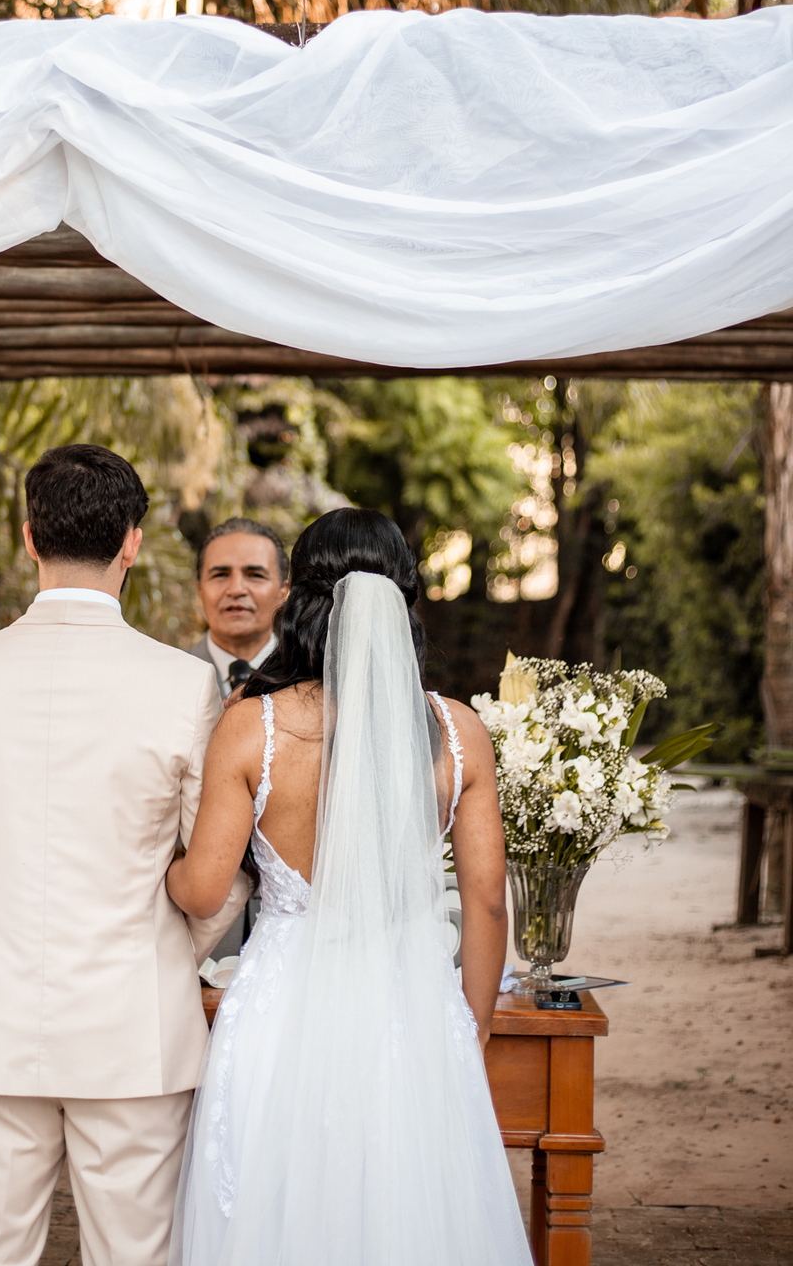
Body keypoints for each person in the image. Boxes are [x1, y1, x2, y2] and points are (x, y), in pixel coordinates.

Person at [165, 507, 532, 1266]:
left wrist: (159, 864)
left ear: (297, 598)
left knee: (275, 1215)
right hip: (410, 1008)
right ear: (404, 600)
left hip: (279, 1009)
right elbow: (489, 901)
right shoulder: (458, 732)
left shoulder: (253, 725)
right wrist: (471, 1025)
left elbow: (201, 893)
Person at [0, 443, 249, 1266]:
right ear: (133, 542)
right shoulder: (183, 685)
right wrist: (167, 950)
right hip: (135, 1025)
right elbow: (213, 880)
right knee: (136, 1254)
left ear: (29, 537)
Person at [185, 517, 289, 701]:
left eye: (255, 575)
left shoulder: (312, 678)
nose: (236, 590)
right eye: (220, 575)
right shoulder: (168, 675)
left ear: (284, 591)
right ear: (200, 590)